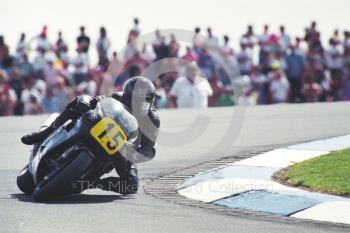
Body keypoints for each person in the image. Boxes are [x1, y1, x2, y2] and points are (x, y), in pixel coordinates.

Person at [21, 76, 160, 195]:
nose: (137, 106)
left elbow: (148, 148)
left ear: (150, 102)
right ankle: (44, 133)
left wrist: (132, 153)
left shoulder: (152, 121)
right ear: (126, 96)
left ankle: (91, 183)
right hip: (98, 129)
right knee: (80, 101)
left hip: (122, 149)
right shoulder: (117, 96)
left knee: (131, 185)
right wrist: (87, 103)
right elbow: (96, 101)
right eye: (135, 101)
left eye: (143, 103)